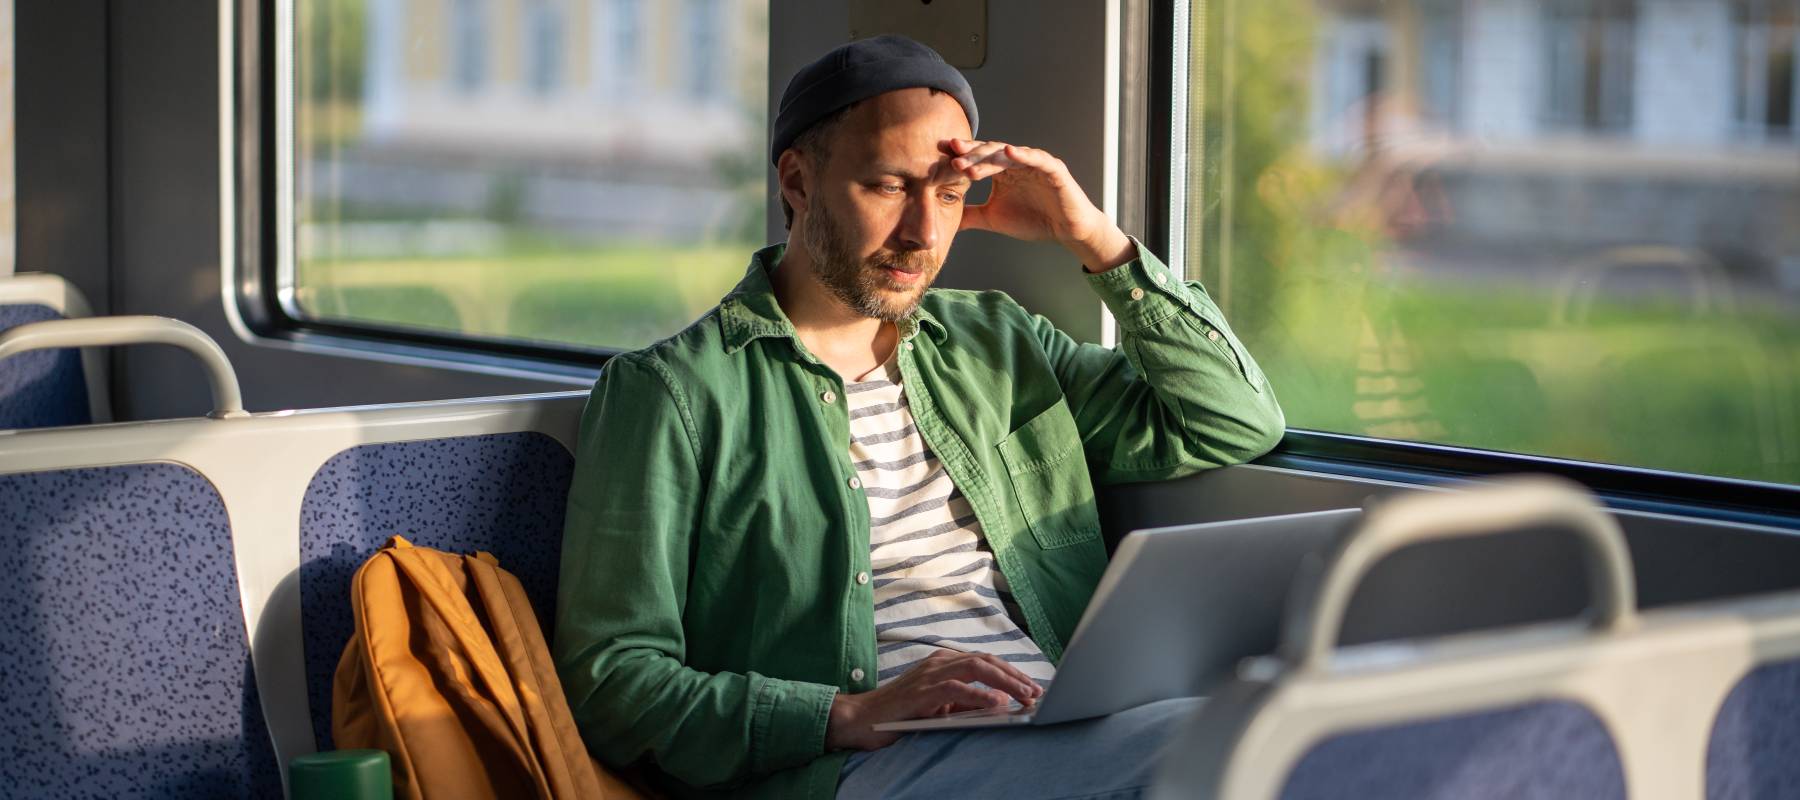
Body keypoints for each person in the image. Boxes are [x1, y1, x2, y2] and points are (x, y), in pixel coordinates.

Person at [554, 35, 1284, 799]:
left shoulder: (1000, 343)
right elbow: (614, 684)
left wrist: (1094, 238)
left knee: (1270, 734)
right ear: (798, 181)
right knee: (1214, 761)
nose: (924, 235)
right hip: (854, 765)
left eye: (946, 192)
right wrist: (846, 713)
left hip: (1058, 726)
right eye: (888, 186)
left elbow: (1231, 421)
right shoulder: (671, 393)